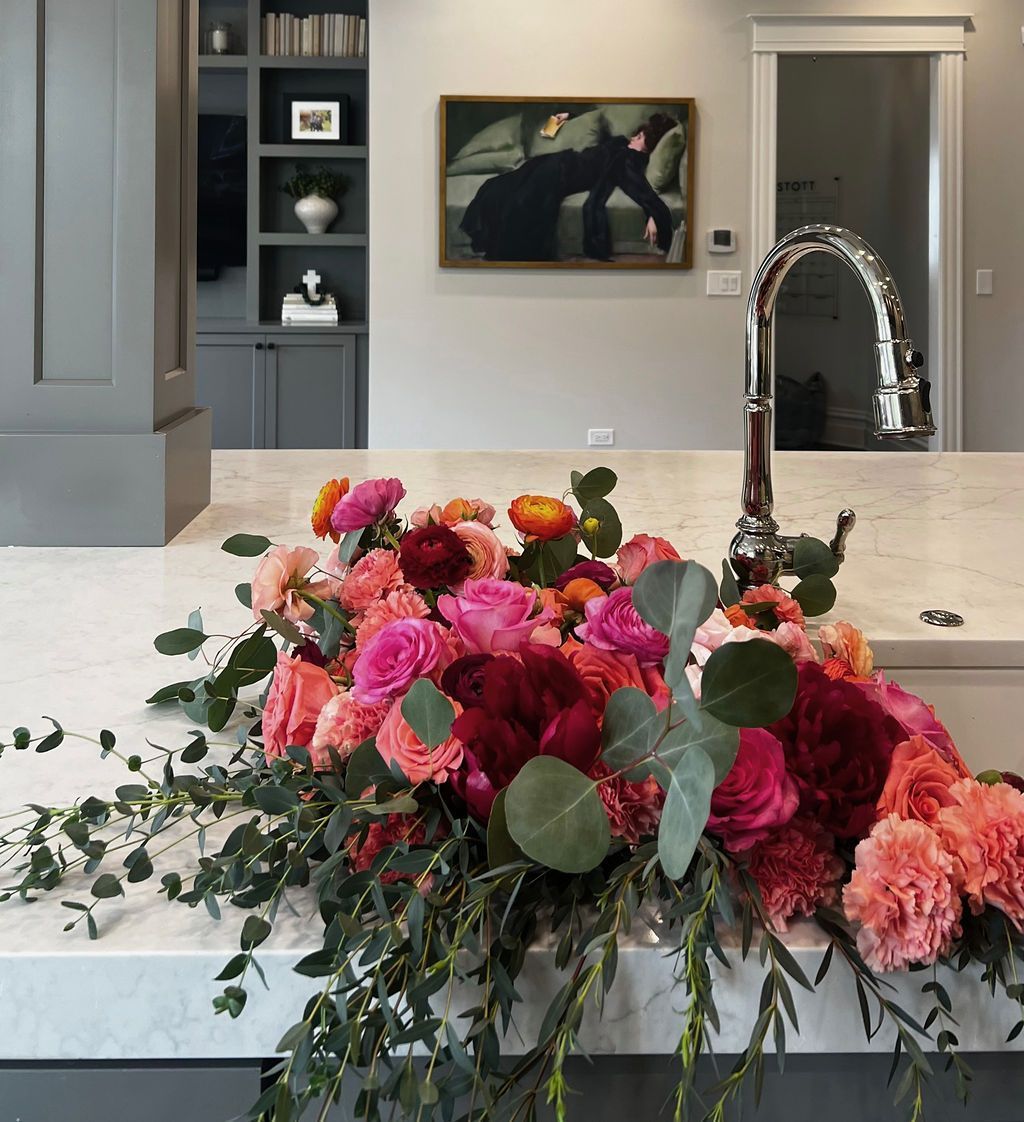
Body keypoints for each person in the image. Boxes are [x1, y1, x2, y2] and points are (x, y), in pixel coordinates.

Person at [459, 112, 677, 262]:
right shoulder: (620, 145)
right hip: (555, 162)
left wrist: (652, 214)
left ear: (646, 148)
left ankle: (501, 249)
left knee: (521, 200)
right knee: (498, 186)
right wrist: (567, 116)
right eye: (636, 134)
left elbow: (640, 189)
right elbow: (601, 135)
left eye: (639, 138)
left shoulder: (629, 159)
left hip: (560, 173)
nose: (632, 138)